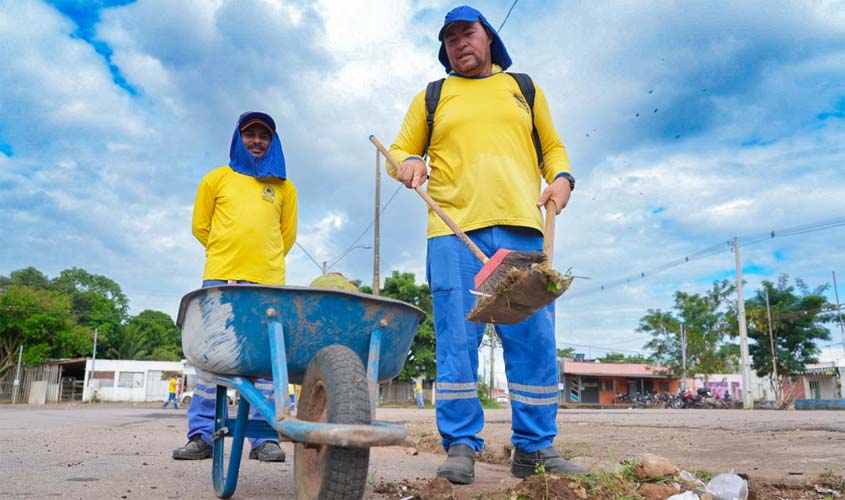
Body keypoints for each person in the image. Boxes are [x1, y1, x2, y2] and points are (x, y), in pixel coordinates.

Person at [387, 5, 585, 484]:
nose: (460, 43)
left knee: (533, 338)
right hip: (453, 232)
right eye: (450, 38)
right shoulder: (432, 96)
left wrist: (561, 179)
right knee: (458, 339)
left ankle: (534, 447)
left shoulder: (523, 88)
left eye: (467, 33)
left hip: (521, 227)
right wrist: (408, 163)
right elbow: (399, 149)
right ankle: (460, 444)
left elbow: (552, 147)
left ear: (488, 37)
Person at [172, 111, 298, 463]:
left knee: (267, 364)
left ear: (273, 141)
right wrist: (228, 258)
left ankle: (264, 438)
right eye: (250, 134)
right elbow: (201, 227)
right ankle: (201, 436)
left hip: (268, 282)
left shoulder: (284, 187)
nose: (257, 140)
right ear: (237, 138)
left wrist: (262, 264)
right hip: (221, 277)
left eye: (264, 135)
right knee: (212, 361)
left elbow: (287, 235)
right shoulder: (216, 179)